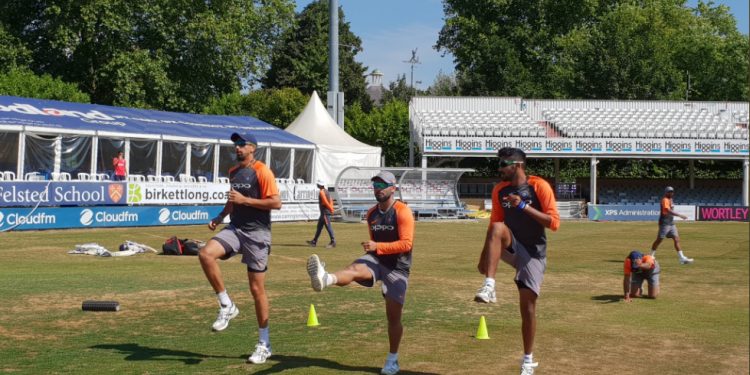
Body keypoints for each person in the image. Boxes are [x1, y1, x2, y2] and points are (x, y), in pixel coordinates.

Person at [306, 170, 414, 375]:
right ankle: (325, 278)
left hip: (398, 268)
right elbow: (376, 244)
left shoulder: (402, 211)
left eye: (382, 186)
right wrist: (375, 249)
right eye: (375, 185)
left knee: (393, 318)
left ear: (393, 189)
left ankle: (392, 359)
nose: (377, 189)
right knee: (354, 269)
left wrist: (377, 246)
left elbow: (406, 244)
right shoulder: (371, 213)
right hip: (377, 259)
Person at [474, 147, 560, 375]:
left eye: (503, 164)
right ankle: (489, 286)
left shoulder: (538, 186)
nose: (499, 169)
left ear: (518, 165)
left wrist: (523, 205)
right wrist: (484, 257)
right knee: (497, 227)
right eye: (499, 164)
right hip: (512, 245)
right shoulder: (500, 190)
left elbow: (554, 223)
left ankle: (527, 360)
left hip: (533, 253)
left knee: (528, 307)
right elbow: (494, 225)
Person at [199, 132, 281, 364]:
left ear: (253, 148)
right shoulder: (233, 172)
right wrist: (219, 216)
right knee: (206, 254)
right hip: (235, 229)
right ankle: (226, 304)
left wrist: (247, 201)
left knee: (257, 291)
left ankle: (264, 343)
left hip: (257, 234)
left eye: (242, 144)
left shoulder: (262, 171)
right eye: (236, 144)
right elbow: (233, 199)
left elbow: (276, 202)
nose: (237, 147)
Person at [650, 186, 693, 264]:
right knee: (659, 240)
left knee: (676, 239)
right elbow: (668, 210)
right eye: (669, 191)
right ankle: (651, 256)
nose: (671, 193)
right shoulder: (665, 200)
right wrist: (680, 215)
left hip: (671, 223)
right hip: (664, 223)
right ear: (666, 192)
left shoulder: (671, 200)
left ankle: (682, 258)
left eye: (672, 191)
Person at [306, 180, 336, 248]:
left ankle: (333, 241)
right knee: (319, 227)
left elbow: (325, 202)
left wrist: (331, 209)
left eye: (318, 184)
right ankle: (314, 241)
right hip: (324, 213)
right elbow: (331, 200)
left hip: (325, 213)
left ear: (320, 185)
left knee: (328, 227)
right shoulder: (327, 191)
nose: (317, 185)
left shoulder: (322, 192)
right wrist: (331, 208)